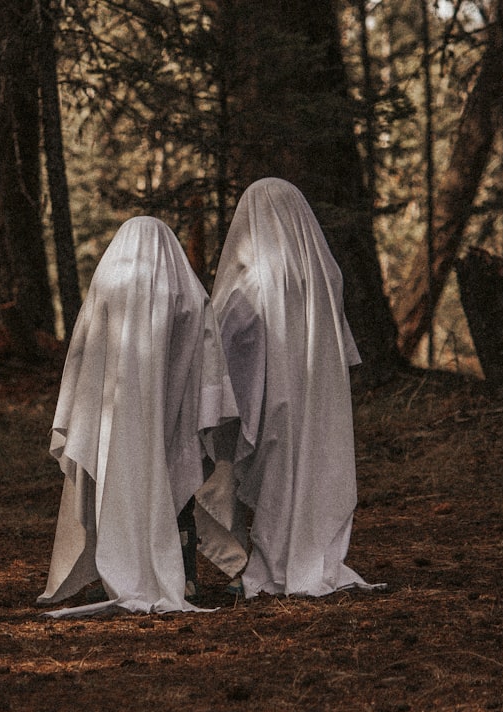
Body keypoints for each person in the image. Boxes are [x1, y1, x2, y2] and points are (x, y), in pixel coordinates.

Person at [37, 216, 239, 617]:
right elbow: (207, 362)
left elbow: (81, 355)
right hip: (173, 424)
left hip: (112, 427)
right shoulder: (187, 290)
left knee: (115, 484)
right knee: (173, 484)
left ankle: (116, 572)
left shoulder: (107, 282)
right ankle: (184, 576)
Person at [193, 177, 383, 597]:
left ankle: (273, 568)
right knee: (312, 474)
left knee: (276, 479)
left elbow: (229, 343)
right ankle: (314, 561)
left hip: (271, 402)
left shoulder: (251, 281)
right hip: (319, 401)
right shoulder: (320, 272)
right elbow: (342, 348)